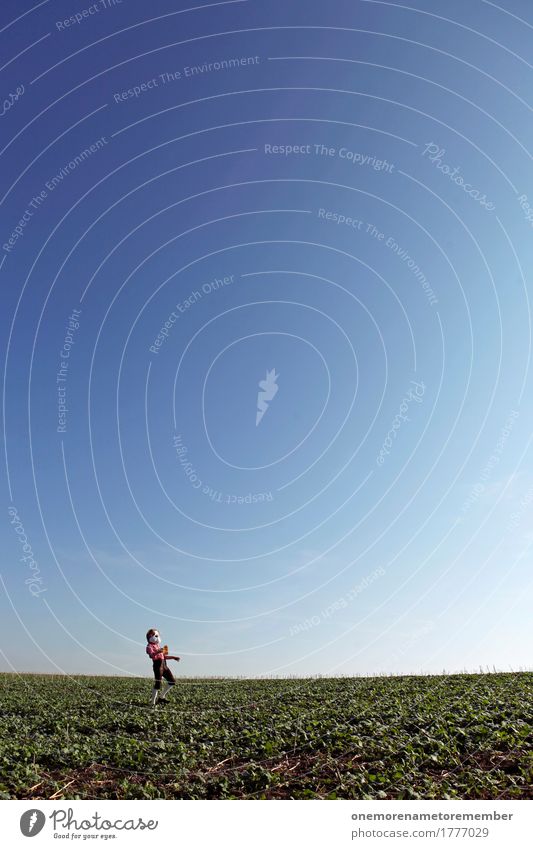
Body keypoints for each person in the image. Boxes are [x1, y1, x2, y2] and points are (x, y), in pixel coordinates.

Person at [145, 628, 180, 707]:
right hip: (157, 665)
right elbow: (151, 655)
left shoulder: (158, 646)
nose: (157, 637)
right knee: (158, 684)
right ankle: (152, 702)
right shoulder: (149, 646)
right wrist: (158, 651)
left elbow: (164, 656)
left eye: (158, 635)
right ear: (150, 637)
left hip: (164, 665)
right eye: (155, 635)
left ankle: (161, 697)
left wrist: (174, 657)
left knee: (172, 681)